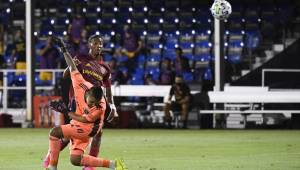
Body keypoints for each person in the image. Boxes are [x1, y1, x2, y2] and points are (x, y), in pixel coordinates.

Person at [44, 36, 126, 170]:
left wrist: (112, 106)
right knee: (69, 134)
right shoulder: (81, 58)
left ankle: (89, 166)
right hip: (79, 99)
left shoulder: (105, 68)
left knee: (93, 132)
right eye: (95, 43)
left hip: (95, 104)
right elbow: (68, 73)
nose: (98, 46)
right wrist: (66, 53)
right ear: (90, 45)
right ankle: (51, 156)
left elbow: (108, 89)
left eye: (100, 44)